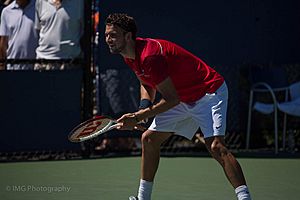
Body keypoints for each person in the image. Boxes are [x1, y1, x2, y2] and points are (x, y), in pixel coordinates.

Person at [104, 13, 252, 200]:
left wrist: (138, 118)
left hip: (208, 93)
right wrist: (142, 109)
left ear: (128, 36)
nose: (108, 39)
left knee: (216, 146)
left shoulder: (150, 56)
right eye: (107, 35)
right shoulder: (129, 54)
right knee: (148, 139)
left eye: (113, 35)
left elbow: (171, 99)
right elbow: (147, 82)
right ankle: (143, 198)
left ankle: (245, 197)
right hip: (182, 97)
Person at [34, 0, 84, 70]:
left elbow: (84, 32)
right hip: (43, 63)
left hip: (70, 64)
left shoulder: (79, 3)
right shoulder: (40, 2)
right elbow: (38, 30)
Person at [0, 0, 38, 70]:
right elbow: (3, 44)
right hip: (12, 67)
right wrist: (2, 67)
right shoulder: (6, 12)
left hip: (35, 67)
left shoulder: (39, 8)